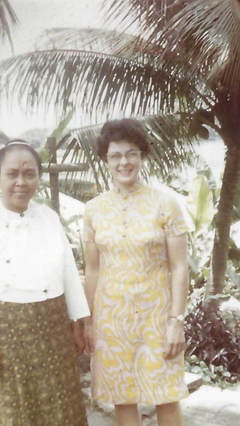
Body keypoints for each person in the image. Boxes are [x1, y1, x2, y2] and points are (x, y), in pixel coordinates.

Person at [0, 140, 90, 426]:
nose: (21, 182)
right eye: (12, 174)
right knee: (17, 412)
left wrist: (78, 323)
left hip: (54, 328)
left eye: (29, 173)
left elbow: (68, 273)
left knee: (64, 410)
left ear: (38, 178)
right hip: (9, 335)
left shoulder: (49, 218)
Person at [83, 119, 189, 426]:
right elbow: (92, 269)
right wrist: (89, 321)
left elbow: (179, 267)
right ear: (106, 160)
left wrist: (176, 321)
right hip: (111, 320)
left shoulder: (166, 204)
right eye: (115, 155)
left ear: (142, 156)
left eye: (131, 153)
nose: (124, 162)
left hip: (157, 317)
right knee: (124, 398)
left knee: (166, 395)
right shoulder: (94, 209)